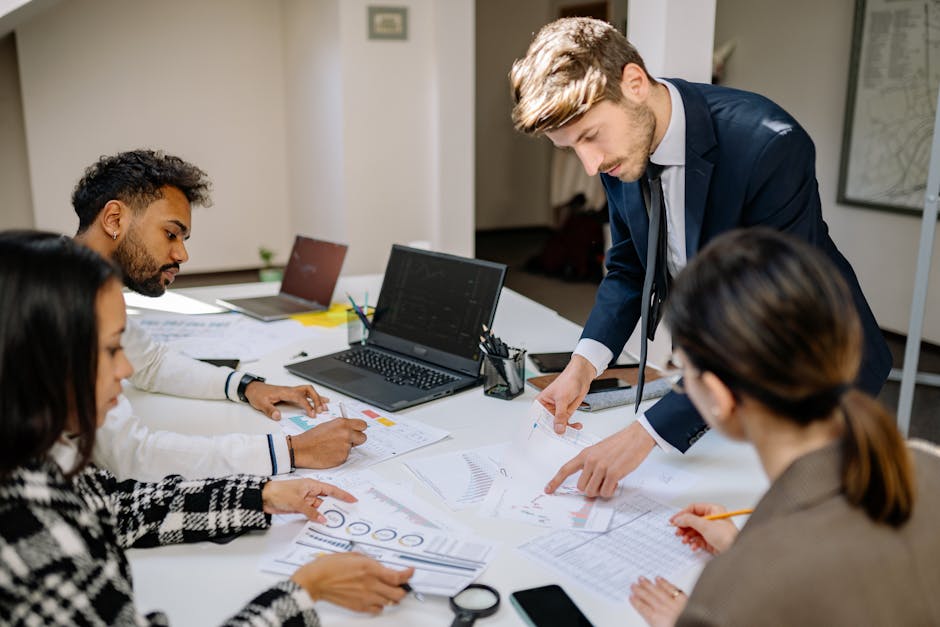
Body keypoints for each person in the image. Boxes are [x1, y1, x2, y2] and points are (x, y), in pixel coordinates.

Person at [509, 18, 892, 497]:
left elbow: (768, 318)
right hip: (724, 389)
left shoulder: (768, 143)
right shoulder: (618, 147)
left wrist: (646, 434)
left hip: (814, 371)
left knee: (795, 524)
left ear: (633, 83)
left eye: (590, 137)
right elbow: (630, 268)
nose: (590, 165)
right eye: (572, 150)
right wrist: (581, 368)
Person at [0, 231, 414, 625]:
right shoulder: (30, 533)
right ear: (37, 359)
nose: (126, 369)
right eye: (110, 350)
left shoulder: (38, 453)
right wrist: (306, 590)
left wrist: (259, 495)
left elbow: (116, 508)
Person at [624, 229, 940, 626]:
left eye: (680, 370)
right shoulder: (926, 462)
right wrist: (747, 546)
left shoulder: (728, 599)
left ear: (718, 395)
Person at [71, 149, 367, 481]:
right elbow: (133, 457)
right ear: (114, 219)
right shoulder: (64, 304)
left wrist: (245, 386)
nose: (182, 253)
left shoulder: (84, 282)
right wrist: (293, 450)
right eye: (171, 233)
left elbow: (150, 362)